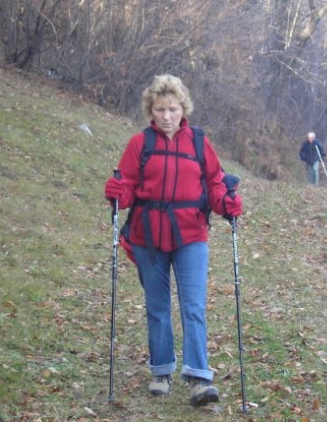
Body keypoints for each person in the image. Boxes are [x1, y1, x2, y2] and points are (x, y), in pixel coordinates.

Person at [104, 74, 243, 407]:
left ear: (183, 109)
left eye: (172, 109)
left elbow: (215, 181)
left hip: (191, 233)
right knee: (157, 306)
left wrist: (225, 203)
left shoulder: (198, 142)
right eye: (160, 109)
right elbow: (125, 184)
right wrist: (117, 193)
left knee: (193, 305)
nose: (166, 116)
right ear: (150, 111)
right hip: (147, 234)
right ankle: (161, 370)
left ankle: (199, 377)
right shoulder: (140, 144)